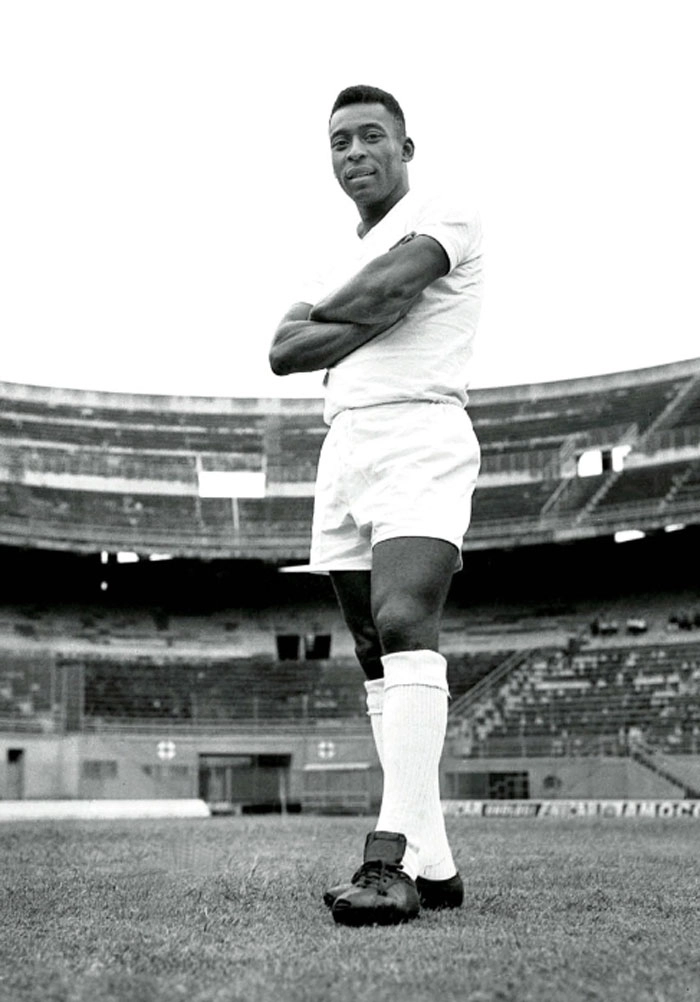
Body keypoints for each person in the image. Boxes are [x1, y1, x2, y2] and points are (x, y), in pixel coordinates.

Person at [269, 84, 483, 926]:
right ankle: (438, 865)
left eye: (369, 137)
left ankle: (389, 857)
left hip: (422, 434)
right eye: (339, 143)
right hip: (343, 449)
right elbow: (284, 352)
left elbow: (396, 281)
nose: (354, 153)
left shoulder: (449, 208)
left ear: (405, 145)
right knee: (368, 647)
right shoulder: (327, 254)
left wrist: (361, 308)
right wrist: (372, 311)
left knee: (403, 622)